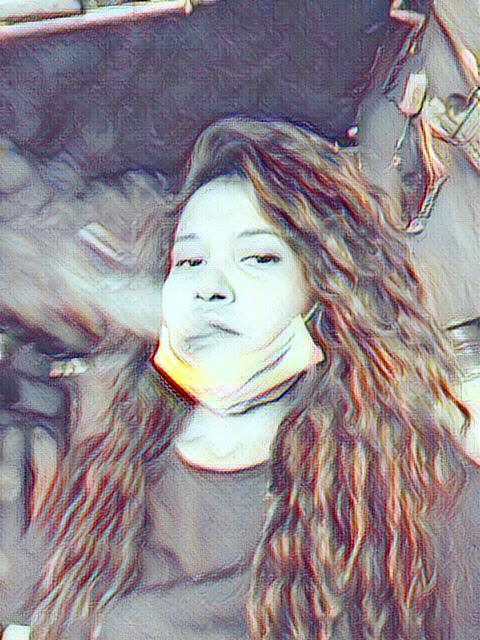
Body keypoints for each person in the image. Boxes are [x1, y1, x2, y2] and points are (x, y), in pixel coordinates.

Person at [2, 115, 480, 639]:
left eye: (258, 257)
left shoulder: (420, 493)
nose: (211, 286)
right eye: (190, 261)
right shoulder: (98, 477)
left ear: (325, 294)